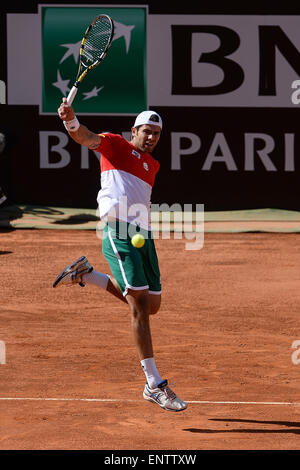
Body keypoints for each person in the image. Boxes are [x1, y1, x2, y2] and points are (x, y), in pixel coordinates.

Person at [53, 98, 187, 412]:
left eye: (156, 133)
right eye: (146, 131)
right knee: (138, 305)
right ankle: (154, 383)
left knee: (151, 305)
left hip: (144, 237)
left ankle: (86, 274)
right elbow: (84, 137)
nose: (151, 137)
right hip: (119, 233)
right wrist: (71, 121)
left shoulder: (152, 165)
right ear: (133, 131)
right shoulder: (114, 145)